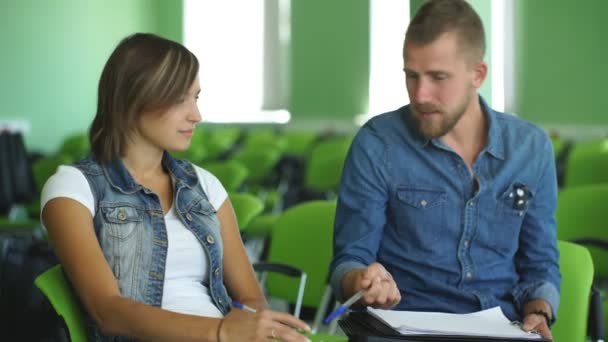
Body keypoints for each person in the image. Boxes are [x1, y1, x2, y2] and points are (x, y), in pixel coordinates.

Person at [41, 33, 311, 342]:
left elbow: (251, 300)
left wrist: (254, 330)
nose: (196, 115)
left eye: (196, 97)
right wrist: (221, 331)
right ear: (134, 97)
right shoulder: (73, 188)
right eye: (179, 98)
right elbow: (108, 312)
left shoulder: (204, 185)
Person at [329, 0, 560, 339]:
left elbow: (539, 262)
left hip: (499, 326)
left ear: (477, 75)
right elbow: (349, 258)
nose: (420, 94)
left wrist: (538, 309)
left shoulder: (531, 148)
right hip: (400, 325)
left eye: (438, 78)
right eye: (411, 76)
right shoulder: (377, 143)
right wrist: (362, 280)